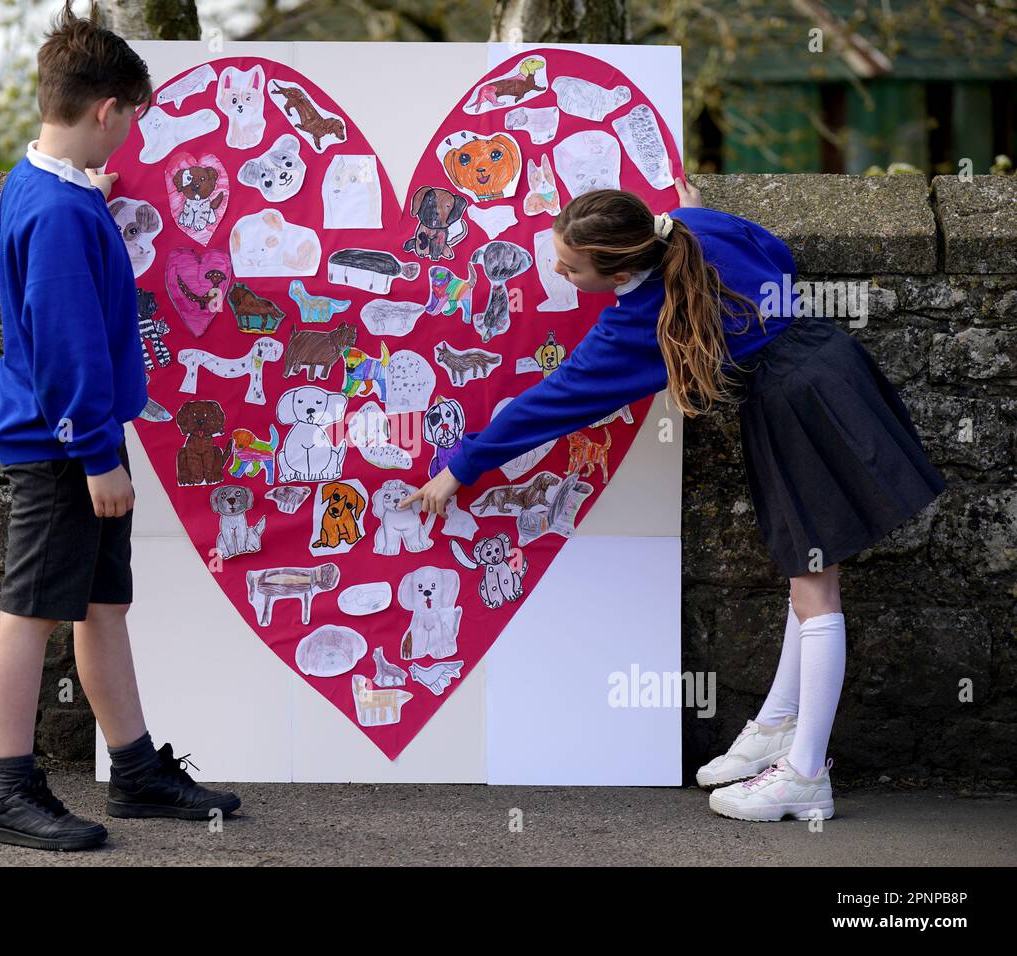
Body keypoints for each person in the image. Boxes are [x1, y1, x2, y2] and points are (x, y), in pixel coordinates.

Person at [401, 178, 946, 821]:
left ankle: (805, 775)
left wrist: (460, 467)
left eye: (571, 267)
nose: (558, 270)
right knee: (811, 571)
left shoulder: (638, 323)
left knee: (814, 584)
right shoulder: (691, 225)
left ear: (623, 264)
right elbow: (776, 251)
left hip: (792, 401)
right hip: (829, 359)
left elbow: (552, 402)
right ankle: (777, 727)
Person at [0, 0, 239, 851]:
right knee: (30, 613)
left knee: (100, 607)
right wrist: (95, 455)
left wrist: (95, 198)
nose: (132, 137)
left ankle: (133, 771)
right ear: (106, 110)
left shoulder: (50, 189)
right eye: (132, 120)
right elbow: (66, 347)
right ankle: (6, 792)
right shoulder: (58, 214)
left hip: (75, 438)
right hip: (64, 445)